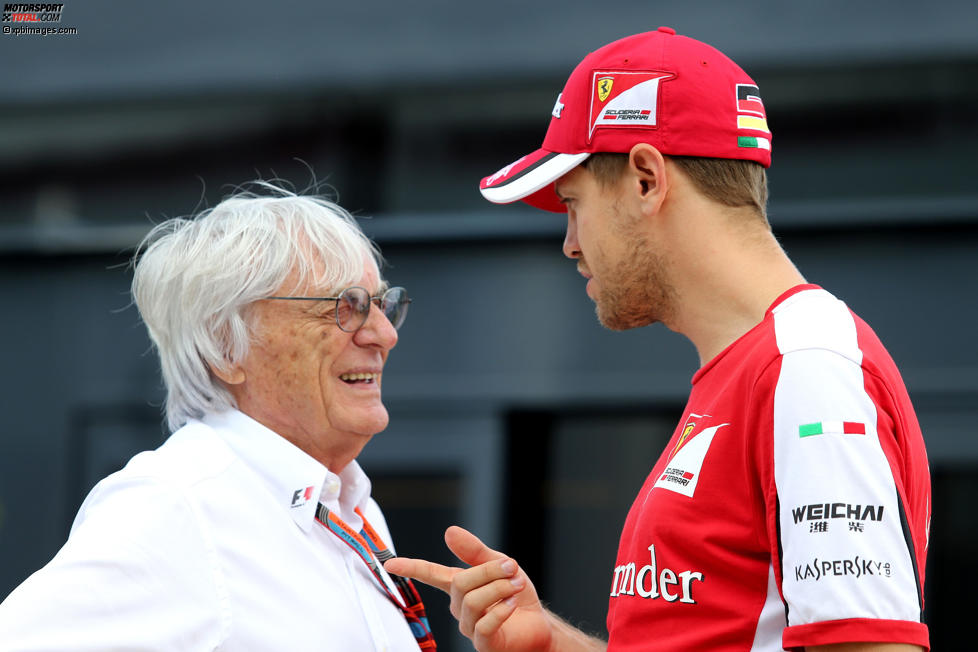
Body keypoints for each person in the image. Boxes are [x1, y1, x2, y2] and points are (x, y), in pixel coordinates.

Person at [384, 27, 931, 652]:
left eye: (572, 202)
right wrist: (550, 644)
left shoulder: (804, 368)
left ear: (646, 178)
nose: (569, 242)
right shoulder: (759, 366)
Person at [0, 183, 436, 651]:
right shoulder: (177, 506)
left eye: (382, 304)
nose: (384, 334)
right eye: (344, 307)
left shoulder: (347, 505)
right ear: (226, 348)